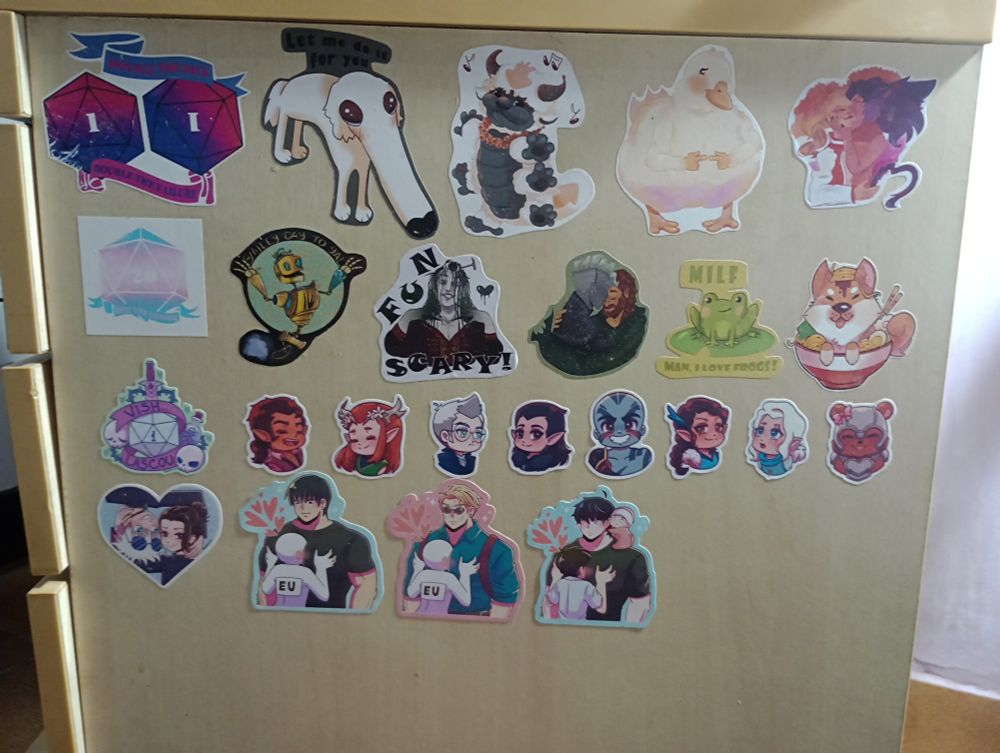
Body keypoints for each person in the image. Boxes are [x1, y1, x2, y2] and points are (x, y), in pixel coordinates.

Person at [258, 474, 378, 610]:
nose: (303, 508)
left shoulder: (351, 540)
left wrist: (351, 619)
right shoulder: (276, 536)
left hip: (332, 619)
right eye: (297, 502)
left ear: (323, 503)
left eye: (309, 502)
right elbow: (262, 585)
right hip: (279, 618)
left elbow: (367, 585)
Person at [402, 481, 519, 619]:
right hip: (429, 619)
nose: (452, 515)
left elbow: (505, 599)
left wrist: (491, 627)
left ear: (471, 511)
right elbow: (410, 597)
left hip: (477, 621)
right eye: (446, 510)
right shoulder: (424, 544)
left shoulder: (496, 549)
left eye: (458, 510)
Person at [531, 255, 647, 376]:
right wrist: (552, 329)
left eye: (611, 292)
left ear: (626, 292)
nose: (605, 298)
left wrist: (546, 340)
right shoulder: (591, 322)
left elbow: (588, 364)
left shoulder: (637, 322)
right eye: (601, 292)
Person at [548, 496, 651, 624]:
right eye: (584, 521)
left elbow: (639, 603)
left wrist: (626, 632)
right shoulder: (565, 554)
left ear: (607, 522)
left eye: (596, 521)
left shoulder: (631, 557)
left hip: (610, 630)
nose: (589, 527)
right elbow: (548, 601)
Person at [384, 261, 503, 359]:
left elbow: (496, 356)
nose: (448, 289)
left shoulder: (481, 321)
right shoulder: (413, 319)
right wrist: (409, 317)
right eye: (443, 282)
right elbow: (390, 349)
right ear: (434, 287)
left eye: (455, 284)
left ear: (463, 290)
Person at [333, 396, 406, 478]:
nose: (361, 444)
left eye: (370, 438)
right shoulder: (354, 462)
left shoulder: (382, 466)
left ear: (389, 436)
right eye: (354, 440)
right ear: (348, 438)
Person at [261, 532, 335, 608]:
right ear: (299, 554)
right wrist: (321, 568)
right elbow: (324, 596)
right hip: (298, 612)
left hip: (278, 610)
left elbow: (266, 590)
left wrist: (270, 564)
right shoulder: (305, 573)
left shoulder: (277, 569)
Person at [406, 539, 478, 616]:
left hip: (420, 614)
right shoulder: (449, 578)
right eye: (451, 556)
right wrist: (465, 574)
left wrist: (417, 569)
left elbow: (411, 594)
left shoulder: (423, 574)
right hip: (440, 617)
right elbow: (466, 602)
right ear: (445, 560)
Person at [665, 397, 730, 479]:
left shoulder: (715, 454)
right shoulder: (691, 458)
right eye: (701, 428)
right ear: (686, 435)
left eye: (718, 427)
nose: (713, 433)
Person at [545, 547, 614, 620]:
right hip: (579, 623)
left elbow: (550, 601)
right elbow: (601, 608)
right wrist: (601, 582)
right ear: (581, 569)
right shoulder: (586, 586)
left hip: (561, 622)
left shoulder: (560, 584)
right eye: (587, 566)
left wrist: (555, 579)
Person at [245, 395, 309, 474]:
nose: (294, 436)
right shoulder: (271, 463)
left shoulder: (298, 452)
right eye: (282, 431)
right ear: (263, 435)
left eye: (299, 431)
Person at [747, 399, 808, 479]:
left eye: (774, 433)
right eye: (760, 430)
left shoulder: (787, 463)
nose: (762, 438)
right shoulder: (759, 461)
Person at [509, 401, 572, 474]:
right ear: (514, 434)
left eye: (536, 434)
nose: (525, 440)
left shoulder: (553, 462)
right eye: (520, 433)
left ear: (553, 438)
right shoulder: (516, 457)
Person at [431, 394, 486, 476]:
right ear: (445, 436)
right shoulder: (443, 460)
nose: (472, 439)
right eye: (462, 432)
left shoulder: (472, 461)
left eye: (478, 433)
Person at [158, 498, 209, 586]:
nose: (168, 540)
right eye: (164, 533)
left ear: (192, 537)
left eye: (178, 535)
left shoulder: (170, 562)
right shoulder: (166, 560)